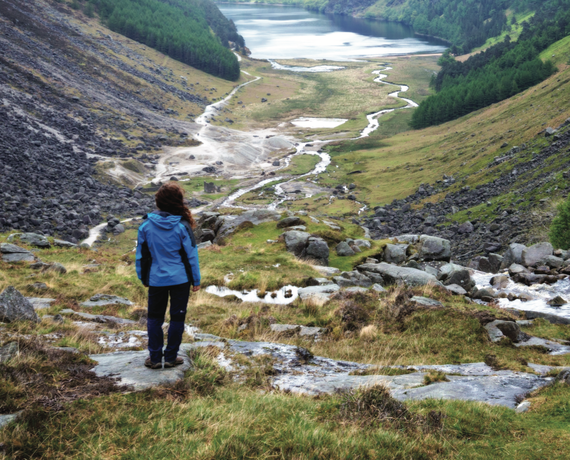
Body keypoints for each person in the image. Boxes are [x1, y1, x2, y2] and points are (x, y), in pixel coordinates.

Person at [136, 182, 201, 369]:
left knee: (155, 319)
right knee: (177, 318)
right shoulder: (183, 225)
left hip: (156, 279)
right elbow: (192, 255)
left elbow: (141, 255)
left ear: (159, 202)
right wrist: (196, 280)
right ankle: (171, 357)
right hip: (181, 279)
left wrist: (144, 278)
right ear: (178, 202)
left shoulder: (146, 225)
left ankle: (155, 359)